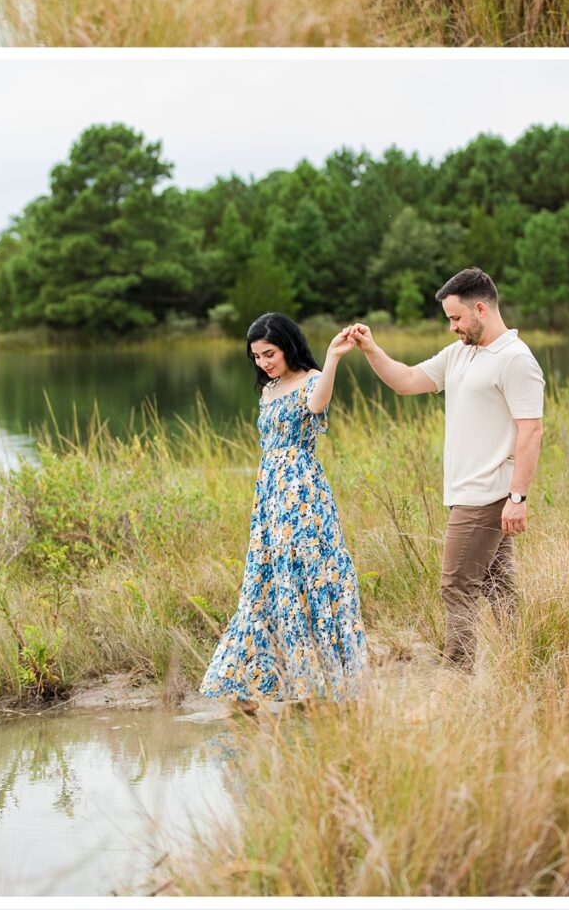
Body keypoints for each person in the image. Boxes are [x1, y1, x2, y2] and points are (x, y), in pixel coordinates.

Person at [343, 270, 544, 668]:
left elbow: (531, 429)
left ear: (481, 309)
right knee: (499, 586)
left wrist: (518, 498)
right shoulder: (461, 353)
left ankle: (456, 677)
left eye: (456, 318)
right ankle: (519, 666)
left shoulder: (516, 360)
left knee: (456, 586)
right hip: (469, 492)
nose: (452, 327)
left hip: (486, 494)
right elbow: (407, 381)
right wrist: (371, 349)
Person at [201, 313, 367, 708]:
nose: (263, 363)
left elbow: (317, 403)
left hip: (303, 496)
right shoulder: (269, 389)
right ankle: (248, 683)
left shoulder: (311, 380)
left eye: (269, 353)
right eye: (257, 357)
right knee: (264, 583)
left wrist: (332, 358)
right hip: (271, 497)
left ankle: (315, 686)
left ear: (287, 345)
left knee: (307, 578)